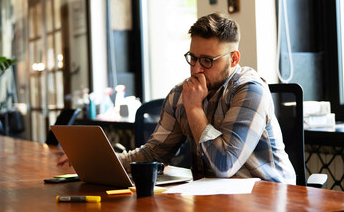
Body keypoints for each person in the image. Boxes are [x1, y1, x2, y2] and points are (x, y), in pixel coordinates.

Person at [59, 12, 296, 184]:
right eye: (192, 57)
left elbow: (225, 165)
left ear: (234, 59)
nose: (196, 69)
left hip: (271, 197)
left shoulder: (250, 91)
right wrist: (104, 160)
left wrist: (195, 111)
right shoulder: (179, 94)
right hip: (214, 199)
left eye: (207, 61)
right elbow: (155, 153)